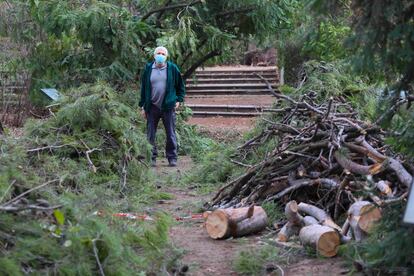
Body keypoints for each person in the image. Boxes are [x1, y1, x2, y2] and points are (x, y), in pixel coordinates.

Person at [139, 46, 185, 167]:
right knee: (150, 134)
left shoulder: (172, 68)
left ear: (166, 56)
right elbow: (144, 88)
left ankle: (172, 158)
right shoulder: (149, 68)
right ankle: (152, 158)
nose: (160, 55)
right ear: (154, 56)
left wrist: (179, 100)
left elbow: (181, 86)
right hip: (152, 106)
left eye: (163, 54)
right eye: (158, 53)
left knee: (170, 133)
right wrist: (142, 106)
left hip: (168, 106)